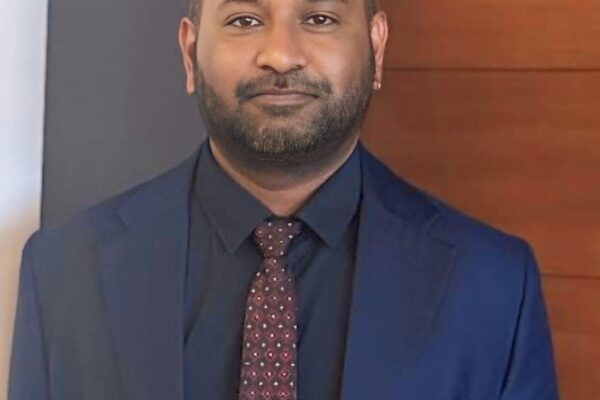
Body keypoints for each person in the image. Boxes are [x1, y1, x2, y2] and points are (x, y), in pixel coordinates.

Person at [8, 0, 559, 399]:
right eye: (244, 20)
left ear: (376, 46)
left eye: (319, 18)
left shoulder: (492, 288)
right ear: (190, 53)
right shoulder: (64, 273)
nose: (280, 55)